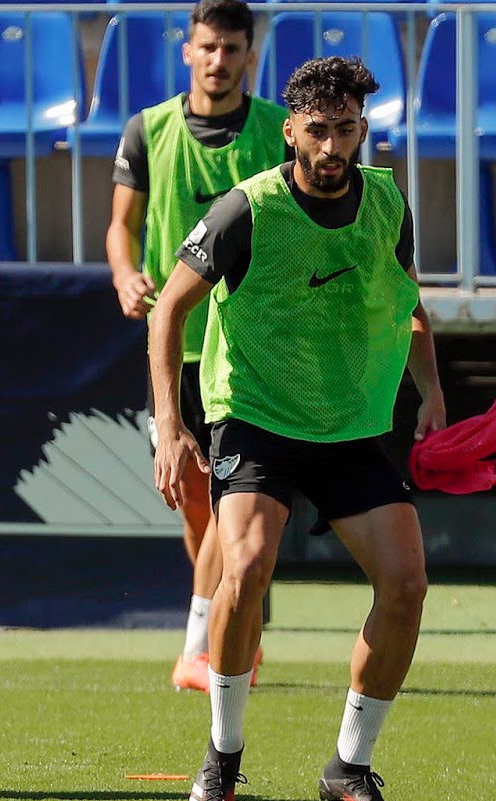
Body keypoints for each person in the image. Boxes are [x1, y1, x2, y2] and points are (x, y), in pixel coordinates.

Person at [147, 57, 444, 801]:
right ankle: (222, 754)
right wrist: (171, 427)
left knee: (408, 583)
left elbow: (409, 304)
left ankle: (351, 764)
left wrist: (435, 401)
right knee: (243, 569)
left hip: (350, 425)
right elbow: (167, 312)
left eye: (347, 129)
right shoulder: (247, 210)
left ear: (362, 130)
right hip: (256, 419)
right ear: (291, 130)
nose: (333, 145)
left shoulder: (387, 203)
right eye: (318, 129)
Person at [105, 0, 287, 692]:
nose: (219, 60)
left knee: (228, 491)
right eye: (207, 47)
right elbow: (120, 225)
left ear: (249, 55)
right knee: (196, 503)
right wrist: (125, 273)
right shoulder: (147, 129)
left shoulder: (278, 130)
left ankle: (200, 646)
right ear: (188, 51)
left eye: (232, 48)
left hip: (249, 349)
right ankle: (230, 616)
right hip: (176, 346)